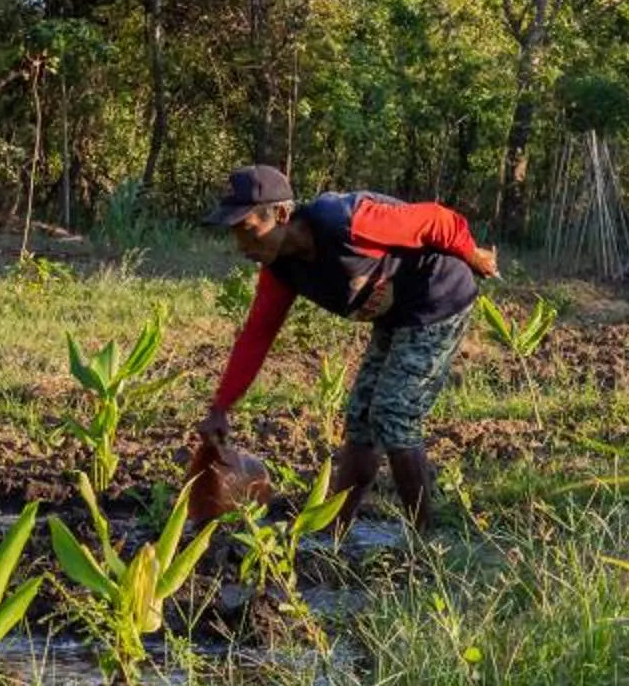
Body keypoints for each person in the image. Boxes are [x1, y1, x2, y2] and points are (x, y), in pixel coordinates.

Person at [194, 165, 499, 536]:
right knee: (360, 418)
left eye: (248, 231)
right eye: (235, 235)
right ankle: (335, 529)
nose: (243, 247)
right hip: (395, 313)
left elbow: (437, 220)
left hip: (438, 296)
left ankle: (425, 542)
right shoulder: (280, 270)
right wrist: (221, 407)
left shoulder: (346, 222)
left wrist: (474, 254)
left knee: (394, 413)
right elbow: (257, 335)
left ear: (282, 215)